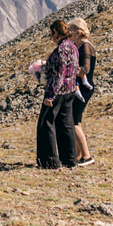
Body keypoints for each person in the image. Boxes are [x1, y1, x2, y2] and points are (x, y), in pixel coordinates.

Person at [36, 18, 79, 169]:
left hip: (58, 91)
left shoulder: (60, 50)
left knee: (46, 124)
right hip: (70, 90)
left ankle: (49, 161)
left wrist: (50, 96)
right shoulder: (73, 47)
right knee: (65, 124)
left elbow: (59, 75)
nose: (51, 37)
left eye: (51, 33)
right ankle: (70, 159)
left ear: (56, 33)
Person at [68, 17, 97, 166]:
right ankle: (79, 155)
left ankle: (86, 156)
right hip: (83, 87)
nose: (69, 34)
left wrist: (68, 71)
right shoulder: (81, 45)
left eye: (71, 31)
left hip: (84, 89)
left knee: (73, 121)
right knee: (75, 119)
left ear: (78, 32)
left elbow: (85, 69)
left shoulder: (85, 46)